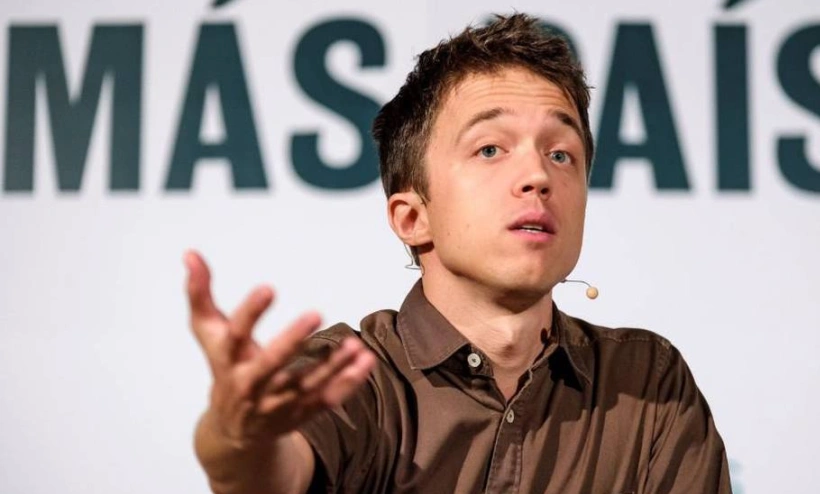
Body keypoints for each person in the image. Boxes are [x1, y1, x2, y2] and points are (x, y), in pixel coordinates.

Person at [185, 13, 732, 494]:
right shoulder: (349, 376)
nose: (537, 175)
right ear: (412, 217)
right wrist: (238, 437)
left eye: (560, 154)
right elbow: (268, 473)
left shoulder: (647, 384)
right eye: (490, 149)